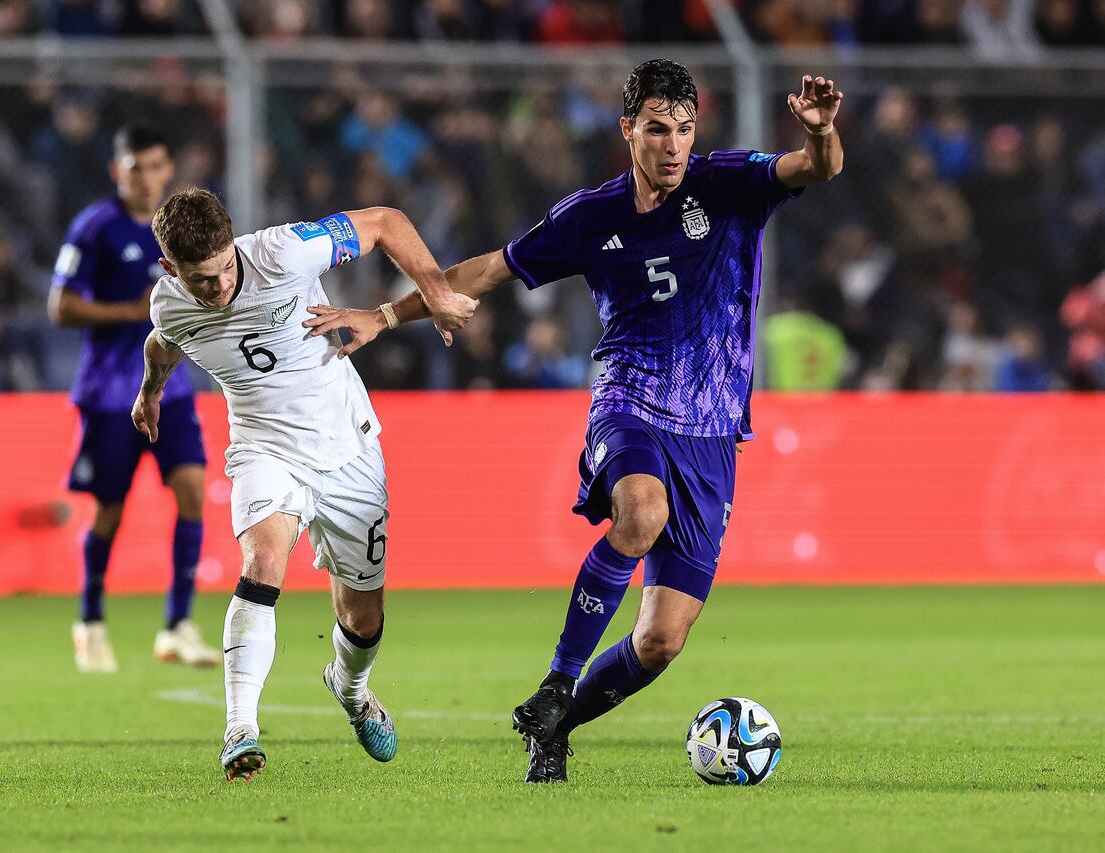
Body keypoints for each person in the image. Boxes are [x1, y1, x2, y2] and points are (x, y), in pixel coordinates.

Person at [303, 59, 844, 783]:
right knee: (641, 512)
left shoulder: (727, 184)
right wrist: (384, 313)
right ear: (628, 130)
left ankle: (557, 722)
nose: (674, 144)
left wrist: (822, 131)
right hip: (630, 403)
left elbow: (816, 169)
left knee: (661, 640)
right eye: (657, 129)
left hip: (712, 431)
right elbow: (487, 270)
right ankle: (560, 676)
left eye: (684, 129)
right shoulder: (590, 216)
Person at [131, 188, 476, 780]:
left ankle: (350, 685)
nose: (215, 289)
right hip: (264, 450)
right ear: (171, 270)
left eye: (221, 272)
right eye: (199, 280)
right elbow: (163, 344)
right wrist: (150, 391)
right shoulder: (171, 304)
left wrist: (437, 294)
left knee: (363, 615)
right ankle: (240, 729)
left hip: (346, 447)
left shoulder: (285, 252)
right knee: (263, 560)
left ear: (232, 247)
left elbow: (385, 222)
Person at [49, 125, 217, 674]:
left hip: (174, 388)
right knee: (110, 509)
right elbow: (61, 306)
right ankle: (91, 622)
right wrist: (132, 311)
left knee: (192, 489)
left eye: (156, 166)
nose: (146, 179)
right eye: (135, 168)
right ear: (116, 170)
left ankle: (178, 626)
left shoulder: (180, 230)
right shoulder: (94, 227)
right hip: (108, 392)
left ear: (170, 169)